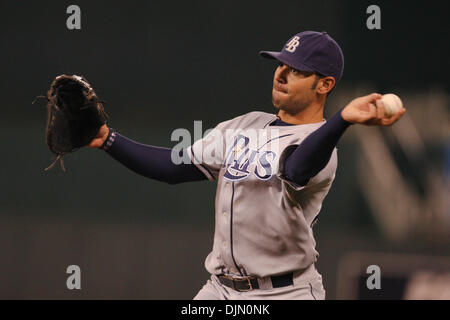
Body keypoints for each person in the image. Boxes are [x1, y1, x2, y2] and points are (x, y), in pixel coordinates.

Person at [88, 31, 405, 300]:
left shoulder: (322, 149)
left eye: (295, 70)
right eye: (280, 64)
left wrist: (342, 120)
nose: (280, 74)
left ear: (324, 85)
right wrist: (107, 139)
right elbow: (174, 167)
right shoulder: (245, 125)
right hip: (220, 290)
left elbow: (295, 168)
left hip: (285, 293)